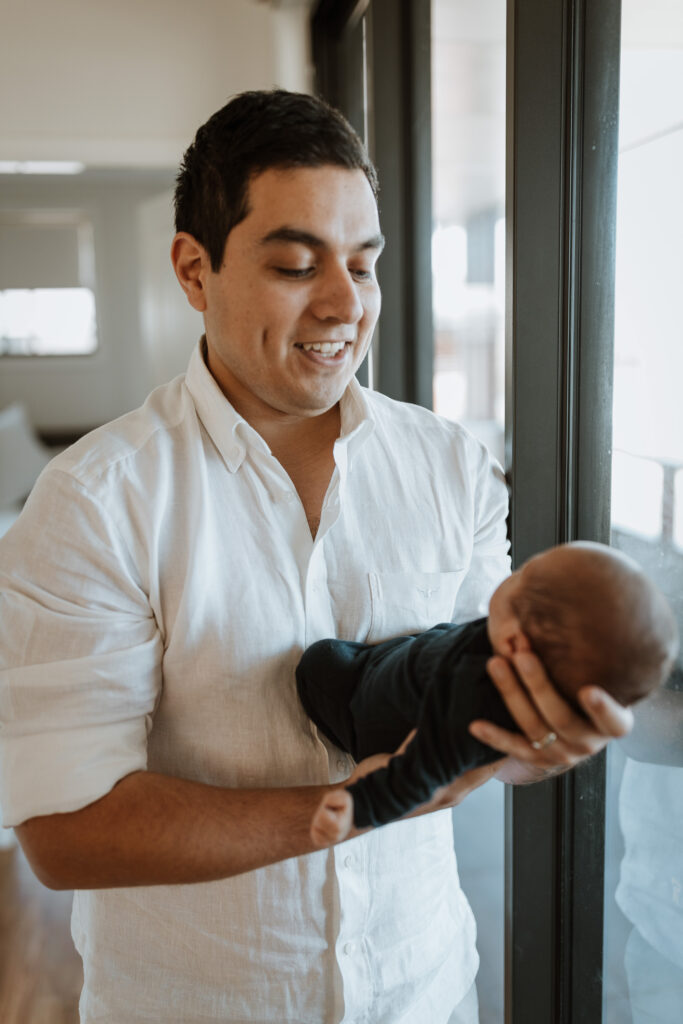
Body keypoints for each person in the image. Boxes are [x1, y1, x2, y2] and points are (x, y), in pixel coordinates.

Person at [0, 90, 632, 1024]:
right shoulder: (96, 500)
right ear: (193, 270)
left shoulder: (451, 468)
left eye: (364, 265)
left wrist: (538, 738)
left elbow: (484, 718)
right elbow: (66, 832)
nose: (345, 303)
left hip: (426, 990)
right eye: (297, 264)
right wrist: (354, 804)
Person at [296, 542, 677, 840]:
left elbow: (417, 773)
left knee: (321, 660)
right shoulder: (513, 643)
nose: (514, 573)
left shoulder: (472, 703)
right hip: (415, 666)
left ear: (513, 641)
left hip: (360, 709)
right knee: (448, 635)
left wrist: (358, 807)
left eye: (524, 574)